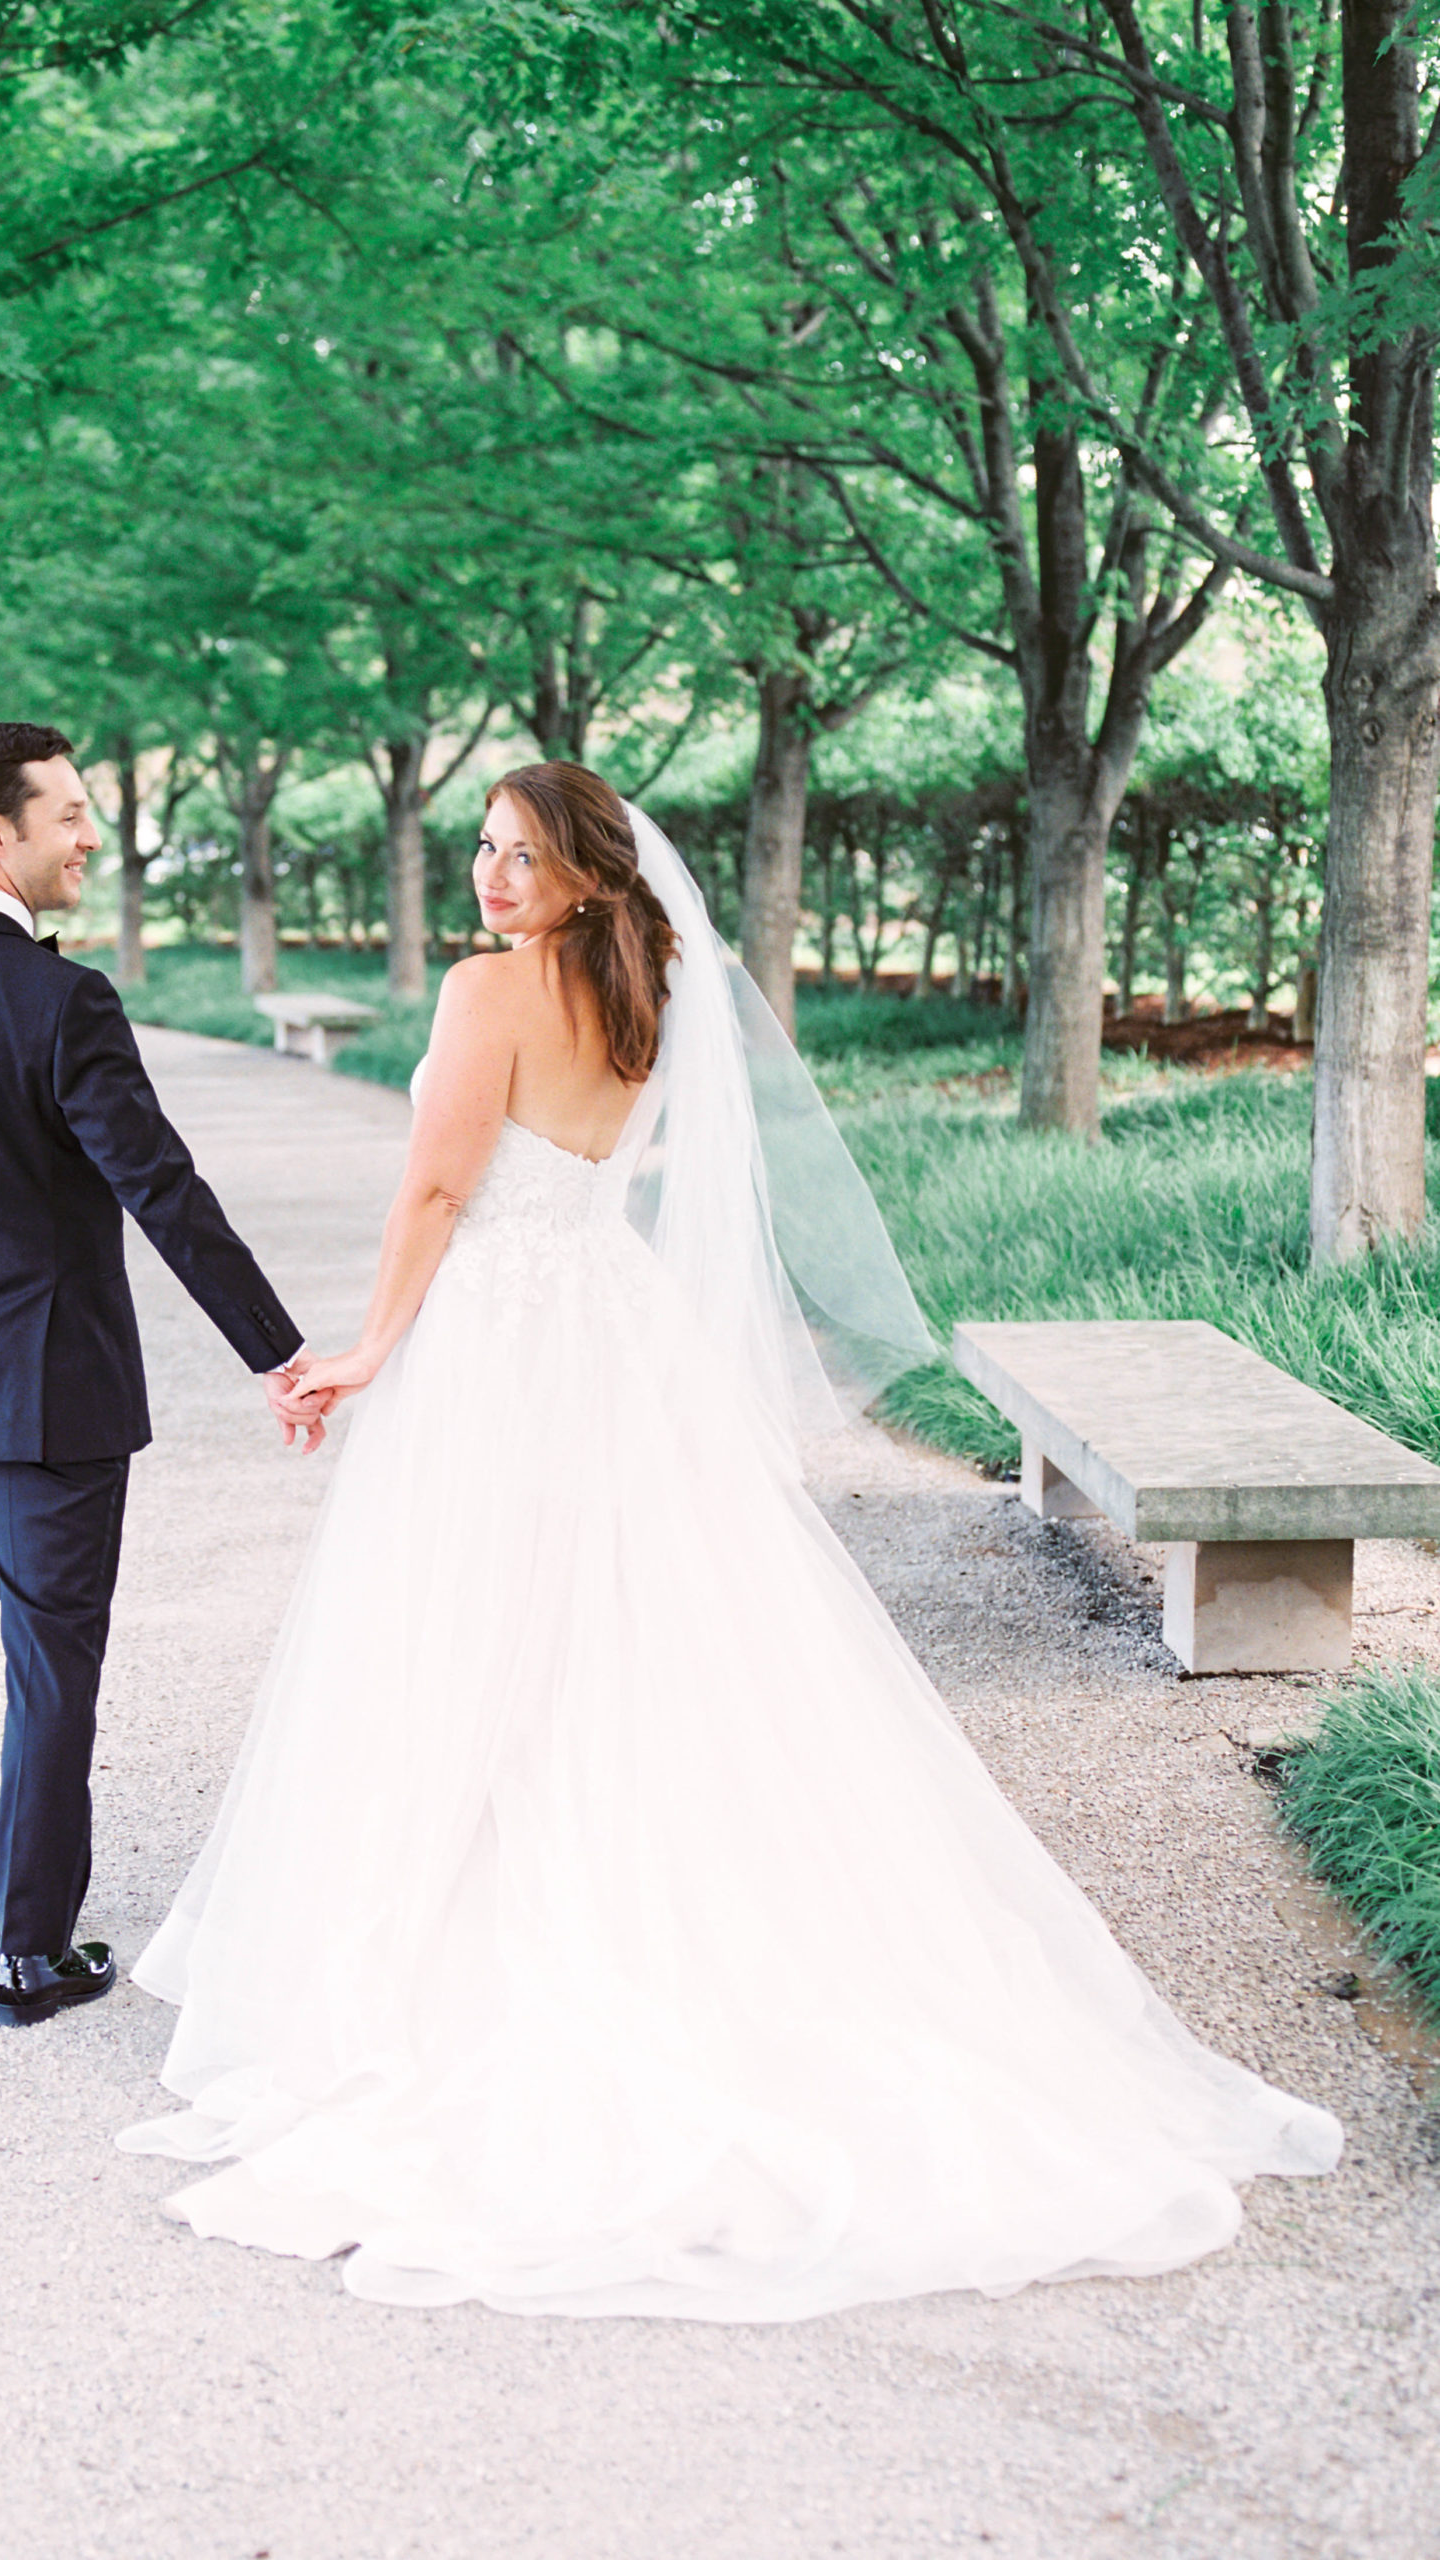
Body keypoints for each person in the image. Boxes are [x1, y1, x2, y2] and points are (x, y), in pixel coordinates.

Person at [117, 759, 1340, 2324]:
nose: (489, 876)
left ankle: (459, 1931)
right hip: (611, 1335)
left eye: (519, 853)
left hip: (496, 1338)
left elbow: (433, 1188)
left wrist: (362, 1352)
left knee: (465, 1616)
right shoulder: (652, 989)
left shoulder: (490, 994)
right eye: (481, 849)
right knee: (631, 1617)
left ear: (579, 874)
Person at [0, 722, 318, 2028]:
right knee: (48, 1666)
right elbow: (159, 1186)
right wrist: (276, 1346)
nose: (92, 836)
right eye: (72, 815)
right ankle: (33, 1951)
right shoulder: (61, 1001)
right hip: (52, 1390)